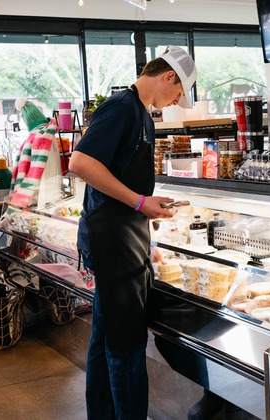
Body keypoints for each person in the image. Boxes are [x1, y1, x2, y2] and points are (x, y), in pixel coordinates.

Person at [68, 45, 197, 419]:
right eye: (177, 93)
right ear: (168, 77)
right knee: (125, 345)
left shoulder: (142, 114)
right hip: (111, 243)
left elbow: (123, 176)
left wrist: (147, 221)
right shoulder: (122, 107)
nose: (174, 101)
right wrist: (141, 204)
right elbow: (80, 162)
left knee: (104, 339)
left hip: (126, 240)